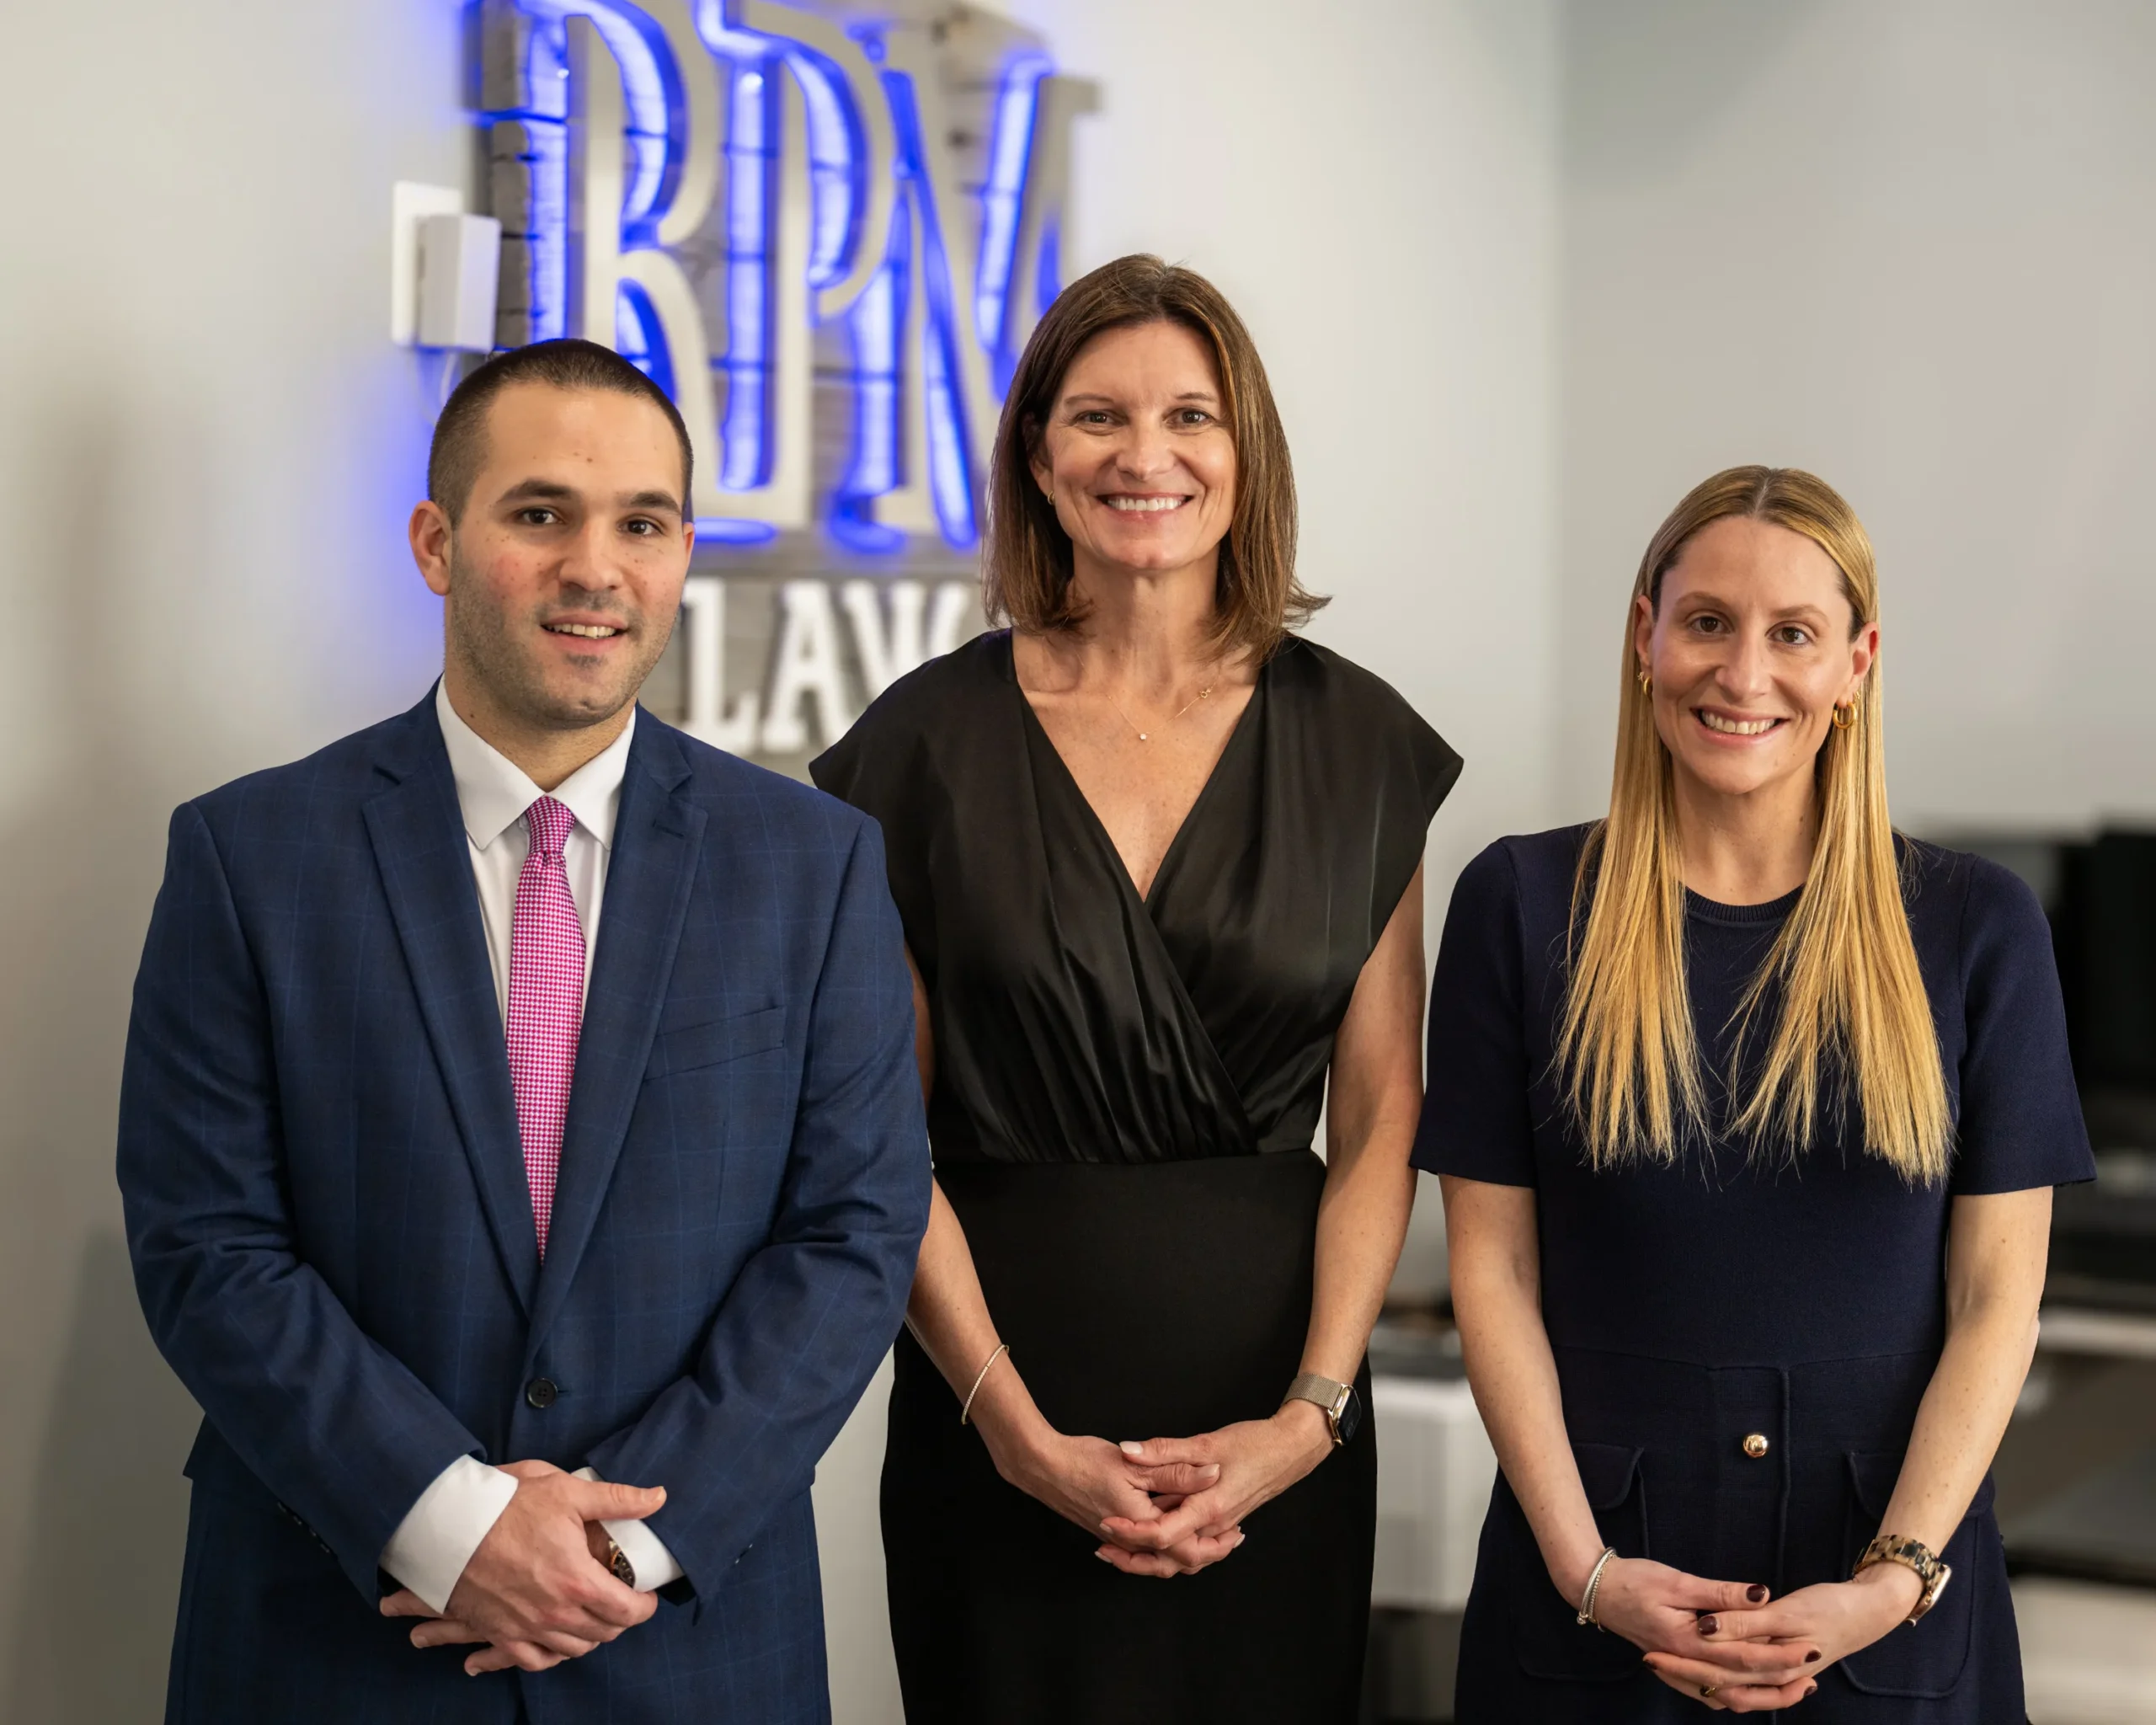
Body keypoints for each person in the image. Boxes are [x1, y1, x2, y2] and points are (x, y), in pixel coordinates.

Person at [117, 338, 931, 1723]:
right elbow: (208, 1247)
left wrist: (618, 1544)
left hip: (680, 1639)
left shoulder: (816, 864)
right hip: (339, 1634)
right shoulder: (250, 856)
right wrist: (451, 1522)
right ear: (438, 542)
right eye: (539, 513)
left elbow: (853, 1234)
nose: (596, 569)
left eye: (644, 524)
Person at [811, 254, 1461, 1722]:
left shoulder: (1362, 747)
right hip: (998, 1424)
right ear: (1040, 457)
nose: (1145, 455)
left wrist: (1310, 1417)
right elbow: (874, 1140)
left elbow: (1379, 1116)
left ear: (1248, 454)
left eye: (1191, 414)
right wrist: (1017, 1432)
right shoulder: (922, 750)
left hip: (1276, 1427)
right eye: (1098, 416)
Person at [1417, 465, 2094, 1719]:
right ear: (1646, 637)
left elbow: (1999, 1296)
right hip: (1594, 1606)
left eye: (1794, 634)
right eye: (1709, 622)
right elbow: (1492, 1276)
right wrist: (1589, 1568)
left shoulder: (1974, 926)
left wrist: (1893, 1581)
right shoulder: (1517, 906)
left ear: (1857, 665)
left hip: (1889, 1598)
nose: (1744, 675)